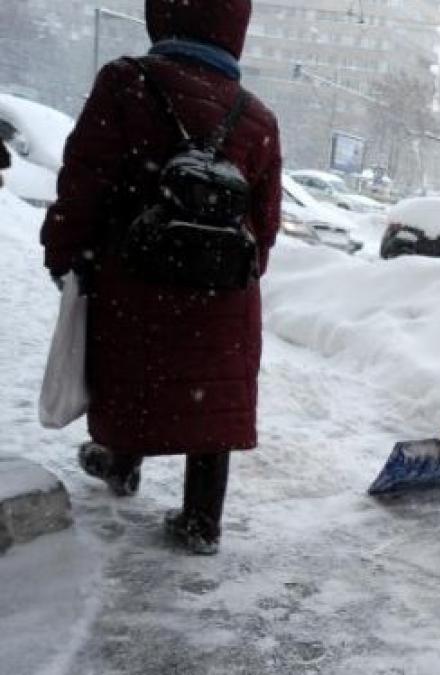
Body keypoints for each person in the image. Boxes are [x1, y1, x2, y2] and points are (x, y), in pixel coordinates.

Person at [40, 0, 281, 555]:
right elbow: (264, 224)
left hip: (137, 271)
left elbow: (84, 179)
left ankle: (120, 462)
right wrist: (234, 275)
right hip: (224, 286)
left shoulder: (128, 83)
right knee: (212, 390)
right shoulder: (256, 116)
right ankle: (202, 519)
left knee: (136, 371)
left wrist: (64, 250)